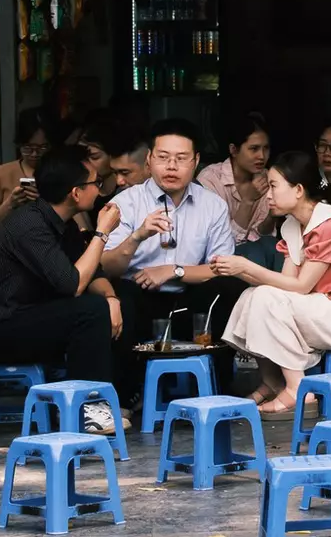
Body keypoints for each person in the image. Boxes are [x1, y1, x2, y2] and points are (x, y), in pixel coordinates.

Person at [214, 151, 331, 418]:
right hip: (328, 306)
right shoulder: (293, 226)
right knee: (254, 295)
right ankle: (273, 382)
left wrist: (248, 267)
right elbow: (286, 284)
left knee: (265, 298)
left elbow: (300, 287)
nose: (268, 195)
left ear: (298, 190)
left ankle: (299, 391)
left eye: (274, 186)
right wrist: (241, 273)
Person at [0, 145, 120, 433]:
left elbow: (92, 272)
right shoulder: (30, 224)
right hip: (0, 327)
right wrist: (102, 232)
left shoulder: (61, 223)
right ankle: (88, 413)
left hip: (31, 314)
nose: (100, 190)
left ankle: (117, 400)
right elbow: (74, 284)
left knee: (119, 298)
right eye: (95, 184)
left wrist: (112, 297)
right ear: (75, 193)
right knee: (90, 311)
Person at [100, 118, 246, 391]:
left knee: (231, 286)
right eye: (163, 157)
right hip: (140, 303)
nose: (171, 166)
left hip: (188, 305)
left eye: (181, 158)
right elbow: (106, 267)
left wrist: (175, 270)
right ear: (149, 160)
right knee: (119, 293)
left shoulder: (212, 205)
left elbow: (222, 266)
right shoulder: (126, 203)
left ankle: (219, 389)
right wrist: (137, 236)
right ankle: (125, 396)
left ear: (196, 161)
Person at [196, 112, 277, 268]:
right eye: (254, 149)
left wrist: (272, 216)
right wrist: (247, 201)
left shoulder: (268, 177)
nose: (262, 156)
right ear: (233, 150)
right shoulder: (211, 179)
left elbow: (262, 236)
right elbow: (221, 243)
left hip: (258, 257)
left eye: (266, 148)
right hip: (218, 262)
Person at [0, 107, 57, 231]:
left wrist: (42, 202)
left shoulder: (60, 173)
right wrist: (9, 204)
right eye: (28, 148)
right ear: (19, 144)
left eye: (42, 148)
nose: (34, 154)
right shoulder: (3, 174)